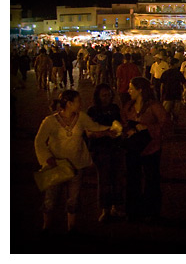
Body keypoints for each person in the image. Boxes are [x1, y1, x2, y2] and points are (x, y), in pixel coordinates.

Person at [34, 90, 115, 232]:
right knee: (51, 199)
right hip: (57, 166)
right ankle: (46, 226)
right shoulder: (50, 122)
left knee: (73, 199)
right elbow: (39, 142)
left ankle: (71, 227)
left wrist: (109, 130)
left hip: (77, 166)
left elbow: (94, 127)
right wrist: (48, 159)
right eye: (78, 101)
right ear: (69, 104)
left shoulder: (81, 117)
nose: (81, 104)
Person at [121, 77, 172, 221]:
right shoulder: (128, 106)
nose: (128, 90)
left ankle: (151, 211)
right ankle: (133, 210)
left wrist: (147, 128)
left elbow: (166, 124)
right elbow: (123, 122)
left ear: (140, 90)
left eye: (131, 88)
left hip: (151, 148)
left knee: (152, 179)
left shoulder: (153, 106)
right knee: (132, 179)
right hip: (133, 148)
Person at [86, 84, 125, 222]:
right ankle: (105, 209)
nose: (107, 98)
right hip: (100, 149)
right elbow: (89, 132)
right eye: (104, 95)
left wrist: (120, 130)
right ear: (98, 96)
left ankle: (116, 206)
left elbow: (120, 122)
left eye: (109, 95)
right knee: (104, 179)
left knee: (117, 178)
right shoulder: (92, 111)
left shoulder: (114, 108)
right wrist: (105, 133)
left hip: (116, 147)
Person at [160, 58, 186, 123]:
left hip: (167, 94)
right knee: (176, 112)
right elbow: (184, 83)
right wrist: (185, 93)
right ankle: (174, 124)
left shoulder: (165, 73)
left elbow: (162, 85)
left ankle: (167, 125)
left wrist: (161, 94)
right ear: (175, 64)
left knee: (166, 112)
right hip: (177, 94)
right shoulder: (178, 73)